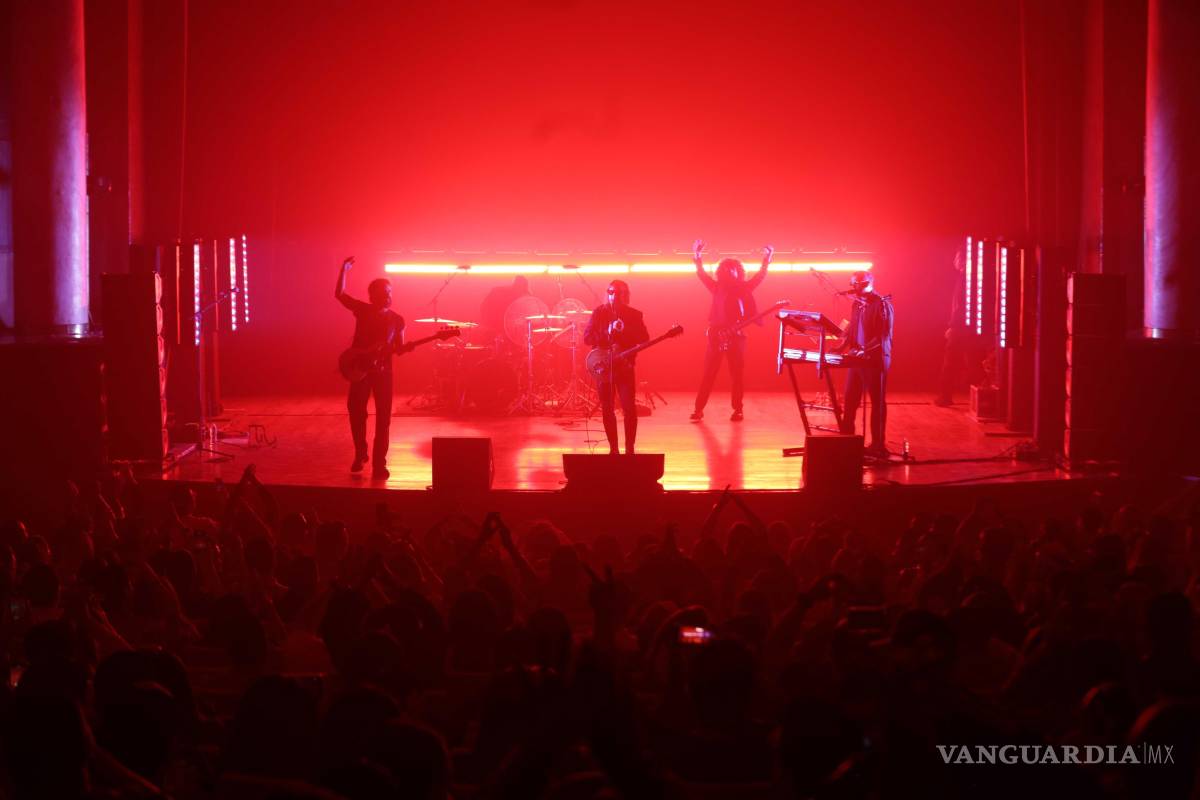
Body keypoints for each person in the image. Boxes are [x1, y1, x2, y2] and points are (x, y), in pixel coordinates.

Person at [334, 257, 407, 479]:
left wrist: (405, 348)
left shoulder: (397, 320)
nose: (388, 295)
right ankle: (360, 453)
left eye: (390, 291)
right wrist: (343, 271)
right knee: (356, 413)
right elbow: (340, 295)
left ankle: (379, 463)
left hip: (383, 374)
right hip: (360, 371)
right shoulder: (363, 310)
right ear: (372, 295)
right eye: (384, 291)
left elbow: (400, 348)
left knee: (383, 419)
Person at [689, 240, 773, 422]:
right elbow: (702, 275)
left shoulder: (744, 287)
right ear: (720, 272)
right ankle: (698, 409)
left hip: (736, 336)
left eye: (732, 269)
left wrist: (767, 258)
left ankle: (738, 410)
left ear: (738, 271)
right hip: (716, 335)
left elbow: (760, 276)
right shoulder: (716, 287)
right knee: (708, 374)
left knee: (737, 375)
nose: (728, 271)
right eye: (725, 269)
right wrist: (697, 256)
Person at [583, 280, 649, 455]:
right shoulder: (599, 313)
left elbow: (644, 338)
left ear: (626, 296)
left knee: (629, 408)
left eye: (619, 293)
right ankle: (613, 448)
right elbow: (587, 338)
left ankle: (629, 448)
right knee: (607, 408)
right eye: (611, 292)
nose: (614, 296)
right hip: (604, 368)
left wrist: (624, 331)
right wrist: (607, 331)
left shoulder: (634, 315)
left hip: (625, 367)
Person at [834, 270, 893, 458]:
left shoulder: (882, 304)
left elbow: (883, 335)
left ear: (869, 283)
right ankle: (846, 439)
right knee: (850, 400)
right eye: (854, 284)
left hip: (874, 359)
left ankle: (877, 444)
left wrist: (865, 349)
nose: (856, 288)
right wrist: (842, 346)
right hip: (856, 358)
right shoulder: (857, 305)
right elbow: (852, 327)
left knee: (877, 402)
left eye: (859, 284)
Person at [935, 248, 970, 406]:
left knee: (950, 362)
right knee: (961, 361)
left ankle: (945, 397)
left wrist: (953, 326)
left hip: (960, 327)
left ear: (962, 259)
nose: (954, 261)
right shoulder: (966, 277)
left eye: (956, 257)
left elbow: (960, 306)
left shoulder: (964, 279)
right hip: (963, 326)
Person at [480, 275, 532, 346]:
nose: (522, 294)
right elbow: (488, 309)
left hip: (497, 328)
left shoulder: (503, 292)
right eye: (523, 291)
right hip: (495, 327)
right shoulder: (502, 294)